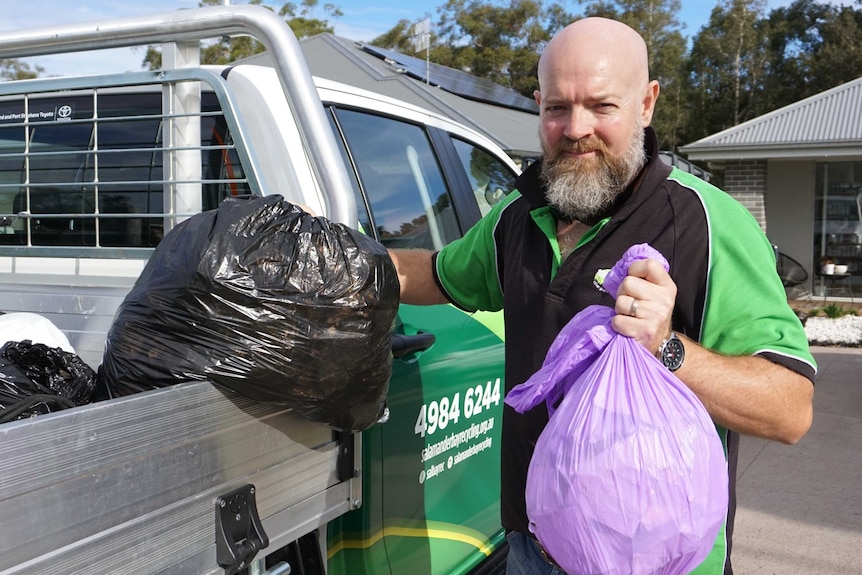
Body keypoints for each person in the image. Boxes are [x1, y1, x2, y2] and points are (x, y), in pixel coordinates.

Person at [388, 16, 815, 575]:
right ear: (538, 105)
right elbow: (438, 275)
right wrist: (344, 266)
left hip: (657, 563)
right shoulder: (516, 217)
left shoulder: (708, 224)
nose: (575, 128)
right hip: (530, 547)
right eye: (557, 108)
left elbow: (790, 411)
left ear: (646, 104)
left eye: (602, 106)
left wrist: (667, 347)